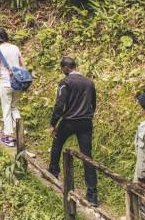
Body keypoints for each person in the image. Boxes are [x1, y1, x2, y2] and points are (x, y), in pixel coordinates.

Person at [48, 57, 98, 206]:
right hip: (85, 122)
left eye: (62, 69)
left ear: (65, 68)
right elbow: (93, 104)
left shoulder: (65, 82)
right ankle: (92, 194)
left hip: (69, 121)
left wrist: (53, 123)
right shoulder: (89, 82)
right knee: (87, 155)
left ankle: (53, 172)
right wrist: (87, 116)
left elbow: (60, 104)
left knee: (57, 143)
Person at [0, 27, 23, 148]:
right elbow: (22, 66)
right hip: (18, 82)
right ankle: (20, 133)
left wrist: (3, 72)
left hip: (5, 83)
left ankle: (9, 137)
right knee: (14, 107)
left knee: (6, 109)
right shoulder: (15, 48)